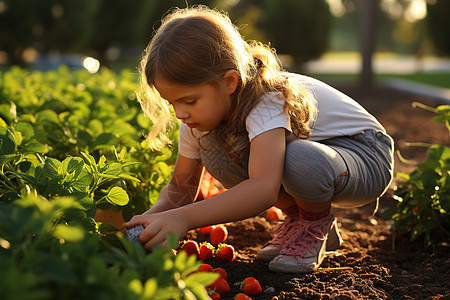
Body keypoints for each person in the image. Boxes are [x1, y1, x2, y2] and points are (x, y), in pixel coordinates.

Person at [126, 5, 394, 273]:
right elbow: (180, 189)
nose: (180, 113)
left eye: (189, 101)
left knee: (300, 160)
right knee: (217, 153)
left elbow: (263, 189)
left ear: (230, 82)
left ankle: (314, 226)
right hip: (325, 158)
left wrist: (183, 218)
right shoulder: (196, 121)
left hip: (366, 154)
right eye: (172, 102)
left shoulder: (266, 99)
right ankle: (302, 220)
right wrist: (151, 222)